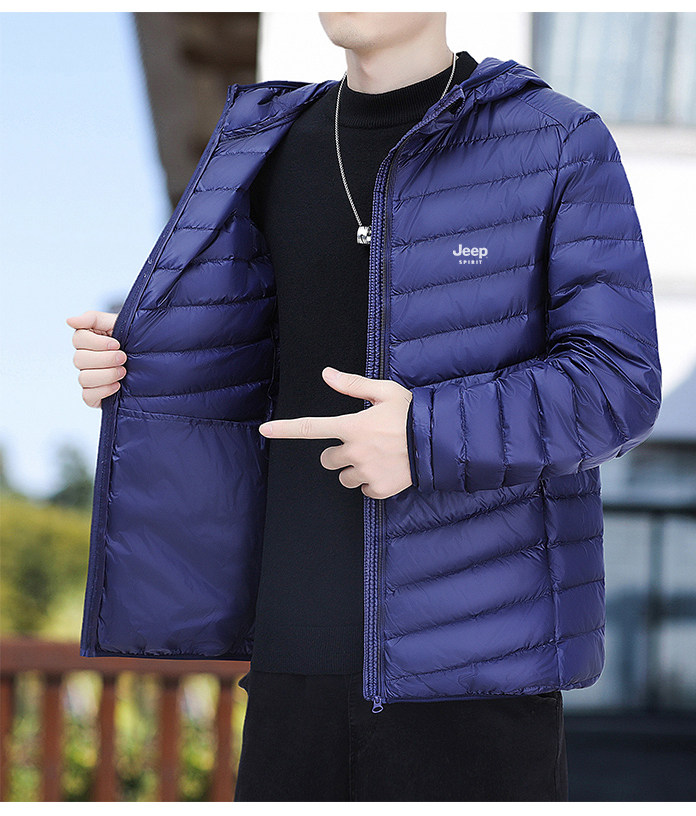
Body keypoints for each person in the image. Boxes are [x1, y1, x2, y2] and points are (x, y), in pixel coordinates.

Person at [67, 12, 661, 802]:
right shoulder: (262, 145)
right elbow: (251, 367)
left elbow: (619, 382)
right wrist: (141, 363)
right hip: (289, 671)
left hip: (476, 684)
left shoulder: (555, 140)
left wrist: (423, 435)